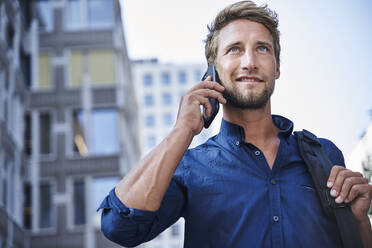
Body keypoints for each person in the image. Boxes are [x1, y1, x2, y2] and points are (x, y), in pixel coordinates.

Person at [98, 1, 372, 247]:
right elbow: (120, 227)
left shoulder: (324, 156)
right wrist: (182, 130)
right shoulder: (189, 167)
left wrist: (359, 222)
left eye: (262, 48)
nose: (250, 62)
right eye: (234, 49)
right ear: (212, 71)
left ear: (277, 67)